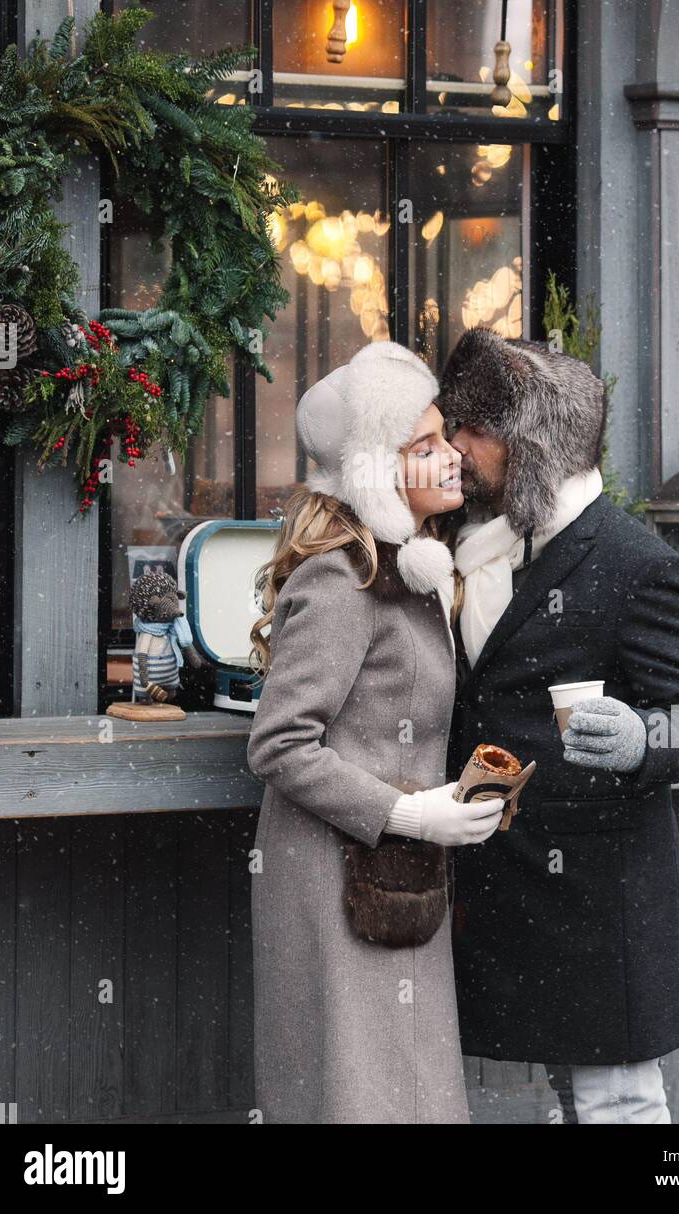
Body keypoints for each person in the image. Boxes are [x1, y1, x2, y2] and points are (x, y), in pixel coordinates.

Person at [438, 327, 679, 1125]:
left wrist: (643, 737)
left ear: (528, 444)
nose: (455, 444)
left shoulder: (639, 565)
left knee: (618, 1105)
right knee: (564, 1099)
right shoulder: (479, 547)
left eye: (473, 429)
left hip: (601, 904)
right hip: (506, 888)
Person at [245, 340, 503, 1124]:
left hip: (397, 878)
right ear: (376, 473)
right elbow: (279, 743)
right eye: (423, 448)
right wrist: (407, 813)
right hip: (332, 884)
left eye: (444, 436)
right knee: (357, 1097)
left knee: (408, 1093)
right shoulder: (342, 576)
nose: (453, 455)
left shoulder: (414, 572)